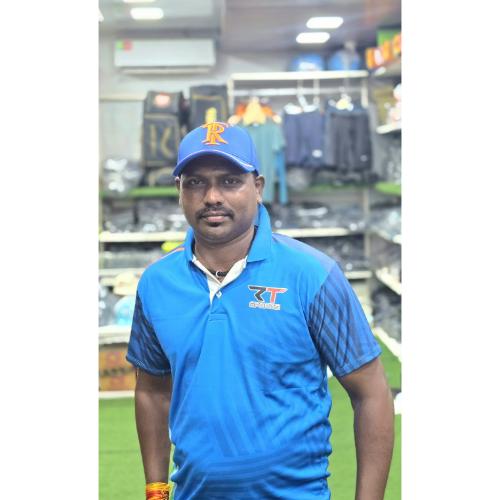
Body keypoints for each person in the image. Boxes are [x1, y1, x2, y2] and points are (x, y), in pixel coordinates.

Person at [126, 122, 394, 500]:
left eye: (230, 181)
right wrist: (156, 490)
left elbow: (372, 393)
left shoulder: (312, 275)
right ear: (179, 190)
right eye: (196, 182)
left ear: (258, 187)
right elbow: (152, 392)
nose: (212, 196)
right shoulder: (157, 283)